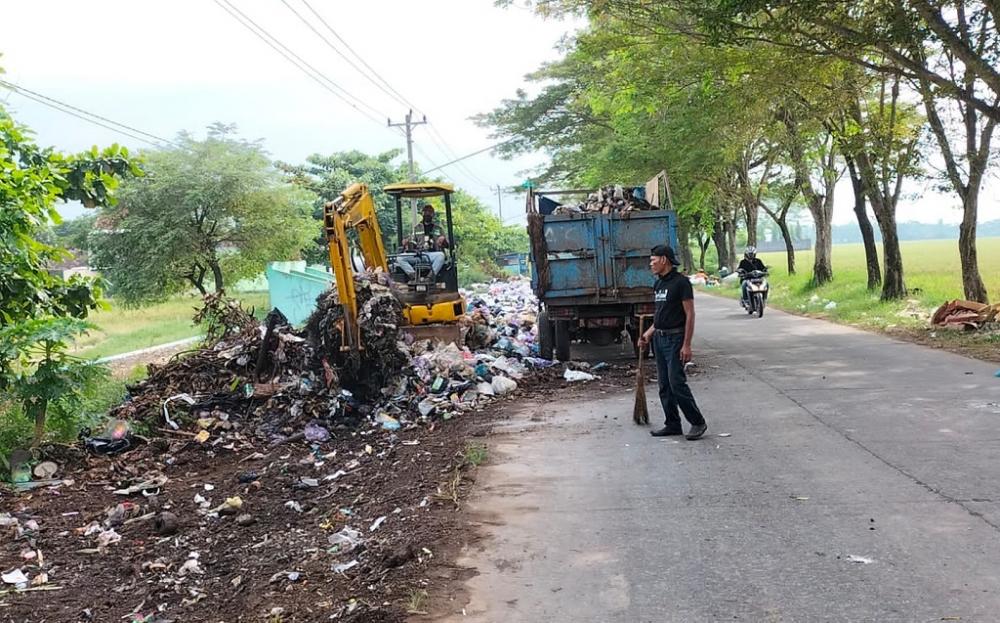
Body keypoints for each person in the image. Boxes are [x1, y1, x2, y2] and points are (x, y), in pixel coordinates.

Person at [637, 244, 708, 440]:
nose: (651, 264)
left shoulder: (681, 283)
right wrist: (648, 334)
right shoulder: (658, 284)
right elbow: (660, 316)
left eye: (653, 261)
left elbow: (690, 314)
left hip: (676, 339)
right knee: (664, 385)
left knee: (676, 382)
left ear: (664, 260)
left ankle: (697, 422)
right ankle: (672, 423)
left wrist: (687, 344)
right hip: (659, 340)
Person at [395, 204, 448, 280]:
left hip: (433, 255)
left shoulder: (438, 229)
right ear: (422, 213)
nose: (427, 213)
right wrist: (407, 243)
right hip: (420, 255)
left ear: (433, 214)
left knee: (441, 256)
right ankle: (414, 276)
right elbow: (412, 243)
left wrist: (443, 241)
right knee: (400, 258)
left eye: (429, 212)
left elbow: (447, 245)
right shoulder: (416, 228)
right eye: (425, 211)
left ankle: (430, 277)